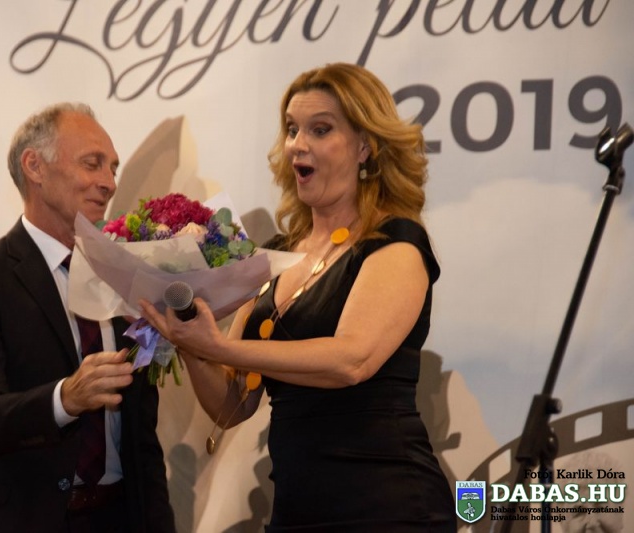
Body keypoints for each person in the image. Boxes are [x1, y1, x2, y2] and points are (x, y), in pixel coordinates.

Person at [140, 63, 456, 531]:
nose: (297, 144)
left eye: (320, 129)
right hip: (294, 510)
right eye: (292, 129)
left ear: (365, 146)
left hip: (388, 508)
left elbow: (351, 360)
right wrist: (187, 336)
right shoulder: (275, 254)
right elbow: (232, 403)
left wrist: (217, 346)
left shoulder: (397, 242)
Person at [0, 103, 175, 533]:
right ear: (35, 166)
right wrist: (66, 399)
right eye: (92, 164)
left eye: (113, 168)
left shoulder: (125, 278)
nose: (109, 182)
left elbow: (141, 438)